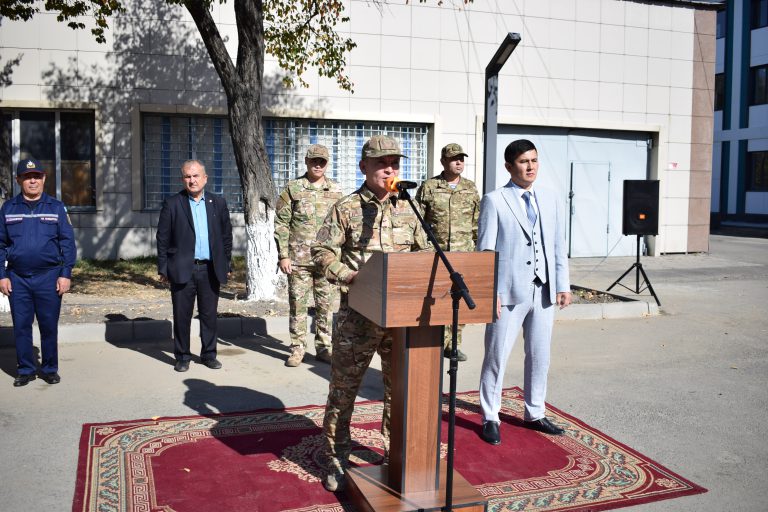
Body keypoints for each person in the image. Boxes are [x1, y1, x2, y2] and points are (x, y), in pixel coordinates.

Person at [312, 134, 429, 492]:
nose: (390, 169)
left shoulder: (410, 208)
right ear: (364, 166)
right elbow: (321, 252)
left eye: (394, 163)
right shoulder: (346, 208)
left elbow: (426, 255)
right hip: (357, 317)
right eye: (381, 163)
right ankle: (336, 458)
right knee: (344, 391)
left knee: (399, 391)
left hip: (402, 318)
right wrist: (350, 276)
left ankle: (396, 455)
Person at [477, 139, 572, 444]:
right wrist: (490, 291)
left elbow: (557, 244)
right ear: (509, 166)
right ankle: (490, 415)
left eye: (534, 160)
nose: (530, 167)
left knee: (540, 355)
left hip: (542, 290)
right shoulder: (494, 200)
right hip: (507, 292)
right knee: (497, 355)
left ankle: (535, 412)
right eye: (523, 162)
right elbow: (486, 251)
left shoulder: (550, 198)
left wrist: (562, 284)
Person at [0, 158, 76, 387]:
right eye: (27, 177)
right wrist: (2, 275)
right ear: (18, 180)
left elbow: (67, 243)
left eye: (36, 176)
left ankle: (50, 368)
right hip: (17, 278)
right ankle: (25, 370)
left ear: (43, 179)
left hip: (49, 277)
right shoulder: (8, 209)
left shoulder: (56, 207)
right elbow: (0, 244)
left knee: (48, 325)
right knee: (21, 326)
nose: (32, 181)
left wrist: (65, 274)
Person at [156, 160, 233, 372]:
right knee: (182, 316)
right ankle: (182, 356)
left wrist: (226, 263)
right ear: (183, 180)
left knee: (209, 316)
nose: (192, 180)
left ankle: (209, 354)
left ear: (205, 178)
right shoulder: (173, 203)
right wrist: (163, 267)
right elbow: (162, 238)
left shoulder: (218, 203)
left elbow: (226, 236)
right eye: (187, 176)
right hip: (183, 269)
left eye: (196, 175)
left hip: (210, 269)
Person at [274, 144, 344, 367]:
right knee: (298, 306)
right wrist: (283, 255)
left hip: (327, 260)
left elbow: (342, 225)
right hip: (299, 260)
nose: (318, 165)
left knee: (326, 307)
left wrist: (341, 257)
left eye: (322, 161)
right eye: (314, 160)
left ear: (327, 163)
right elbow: (281, 223)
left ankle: (324, 347)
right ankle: (297, 348)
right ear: (306, 161)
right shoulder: (293, 188)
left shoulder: (336, 190)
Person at [415, 142, 479, 362]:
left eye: (461, 158)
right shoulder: (429, 187)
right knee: (437, 298)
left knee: (460, 297)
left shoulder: (470, 187)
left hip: (464, 253)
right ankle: (437, 342)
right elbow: (418, 222)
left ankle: (454, 344)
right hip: (437, 254)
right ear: (443, 161)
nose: (459, 162)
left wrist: (477, 249)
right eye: (453, 159)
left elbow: (476, 222)